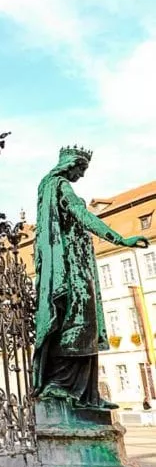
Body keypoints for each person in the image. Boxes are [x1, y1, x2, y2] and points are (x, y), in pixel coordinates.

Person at [33, 146, 147, 410]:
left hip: (79, 264)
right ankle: (61, 386)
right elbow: (83, 216)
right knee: (78, 322)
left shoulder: (49, 188)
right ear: (69, 165)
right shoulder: (61, 186)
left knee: (86, 324)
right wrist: (120, 239)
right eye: (80, 169)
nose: (81, 175)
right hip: (73, 268)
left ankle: (87, 394)